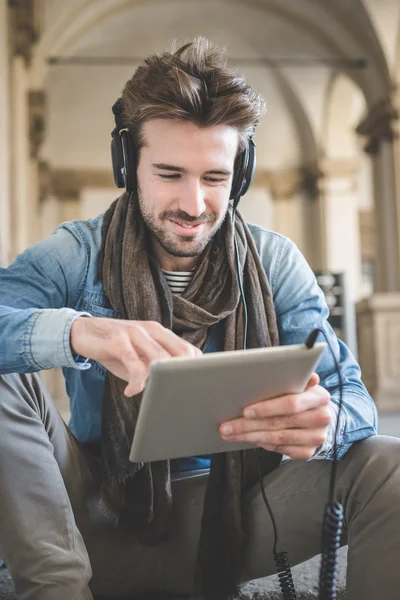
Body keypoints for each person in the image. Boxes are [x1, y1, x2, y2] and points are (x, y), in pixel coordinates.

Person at [0, 37, 399, 600]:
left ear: (240, 175)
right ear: (127, 164)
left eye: (214, 178)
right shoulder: (76, 253)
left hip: (239, 515)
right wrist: (81, 330)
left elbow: (350, 393)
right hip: (92, 514)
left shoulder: (275, 260)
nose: (193, 204)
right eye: (168, 174)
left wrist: (326, 421)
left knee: (390, 462)